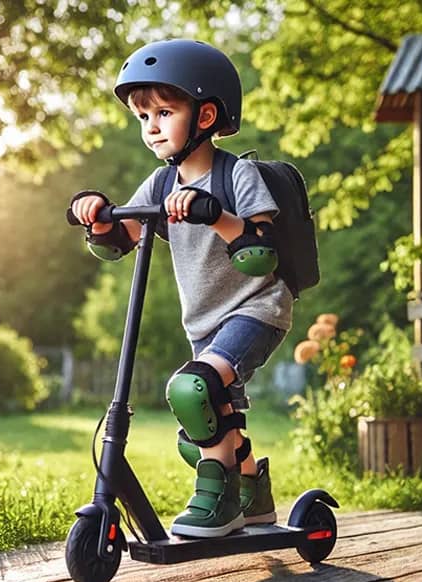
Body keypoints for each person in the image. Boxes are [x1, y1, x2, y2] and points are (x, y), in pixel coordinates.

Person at [69, 39, 292, 538]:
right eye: (143, 116)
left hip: (256, 309)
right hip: (205, 322)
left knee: (193, 391)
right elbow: (117, 242)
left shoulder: (239, 174)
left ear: (206, 114)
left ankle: (220, 506)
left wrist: (214, 213)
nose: (150, 127)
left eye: (163, 112)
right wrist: (96, 215)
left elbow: (261, 252)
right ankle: (254, 494)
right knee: (208, 430)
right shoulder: (159, 183)